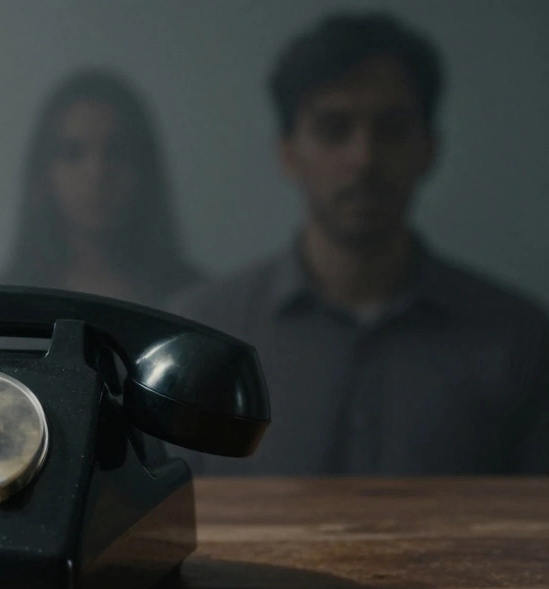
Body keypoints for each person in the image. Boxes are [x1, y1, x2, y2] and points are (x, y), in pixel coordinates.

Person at [167, 12, 549, 475]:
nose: (364, 159)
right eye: (333, 129)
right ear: (289, 152)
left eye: (391, 129)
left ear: (428, 148)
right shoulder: (201, 337)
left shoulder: (520, 343)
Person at [0, 69, 202, 306]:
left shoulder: (199, 302)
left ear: (143, 167)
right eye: (73, 153)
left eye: (117, 151)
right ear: (43, 174)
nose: (97, 173)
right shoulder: (4, 303)